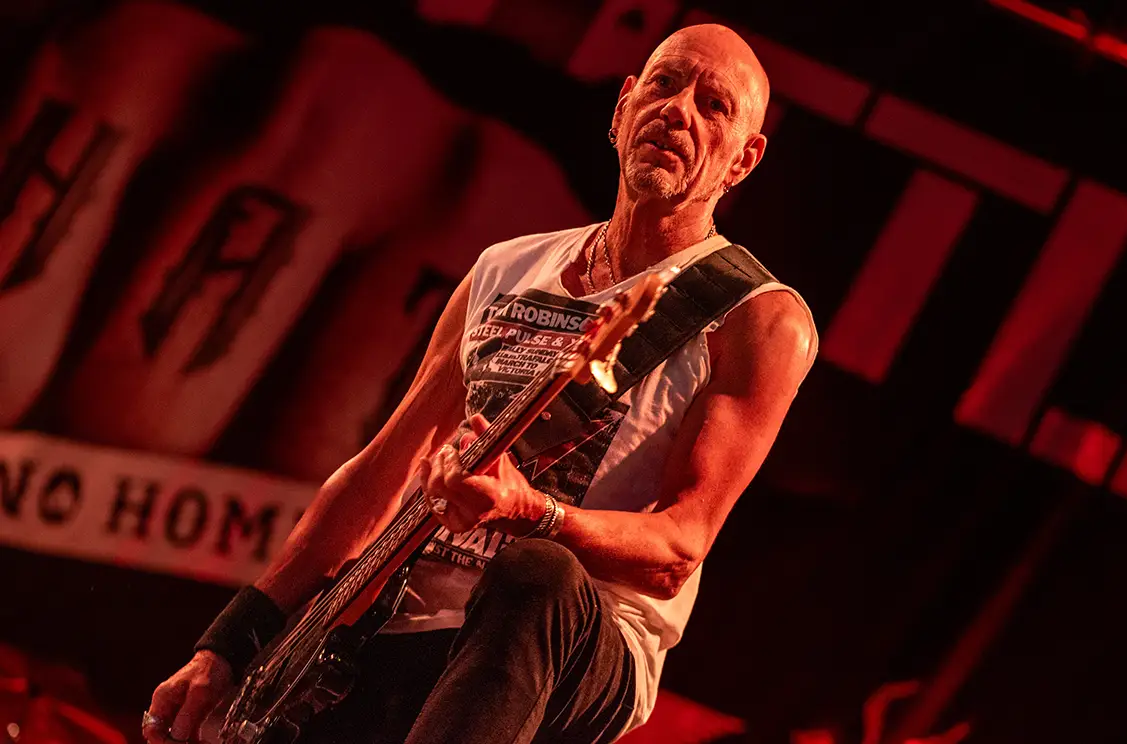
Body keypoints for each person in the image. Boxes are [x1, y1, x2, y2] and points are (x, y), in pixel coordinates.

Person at [143, 22, 817, 744]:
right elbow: (382, 469)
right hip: (399, 618)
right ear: (623, 107)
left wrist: (535, 513)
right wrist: (228, 643)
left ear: (744, 159)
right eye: (664, 83)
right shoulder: (506, 268)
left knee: (537, 574)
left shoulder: (756, 317)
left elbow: (679, 549)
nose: (678, 111)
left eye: (714, 106)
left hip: (578, 640)